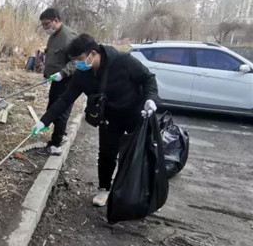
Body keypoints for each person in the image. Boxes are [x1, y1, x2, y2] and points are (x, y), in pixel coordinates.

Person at [31, 34, 159, 207]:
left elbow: (148, 78)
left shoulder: (123, 61)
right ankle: (104, 188)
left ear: (93, 53)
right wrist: (43, 122)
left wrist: (150, 99)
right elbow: (65, 100)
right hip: (108, 116)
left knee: (136, 153)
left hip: (135, 113)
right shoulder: (83, 75)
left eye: (80, 59)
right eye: (75, 61)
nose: (78, 64)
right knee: (107, 153)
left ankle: (139, 190)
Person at [40, 8, 78, 155]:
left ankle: (56, 144)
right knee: (52, 108)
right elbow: (50, 56)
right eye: (43, 25)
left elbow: (76, 61)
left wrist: (63, 74)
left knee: (61, 111)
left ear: (56, 20)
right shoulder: (54, 36)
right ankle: (60, 133)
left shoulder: (69, 36)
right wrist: (45, 75)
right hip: (56, 80)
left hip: (67, 81)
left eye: (47, 24)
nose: (45, 28)